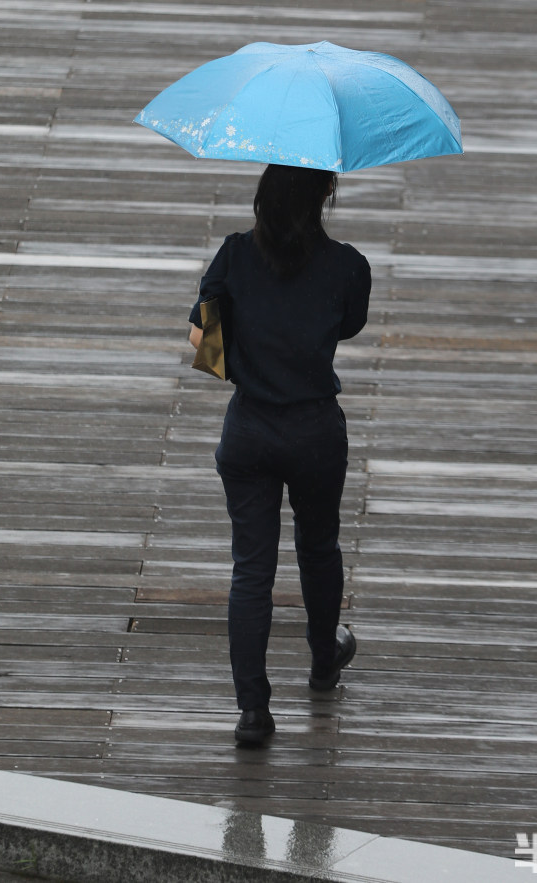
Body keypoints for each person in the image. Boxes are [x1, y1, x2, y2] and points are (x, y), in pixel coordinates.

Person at [188, 163, 371, 747]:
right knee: (318, 548)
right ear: (327, 194)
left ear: (262, 198)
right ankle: (323, 661)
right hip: (316, 429)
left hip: (249, 431)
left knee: (251, 570)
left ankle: (252, 712)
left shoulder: (235, 255)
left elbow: (202, 335)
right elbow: (349, 326)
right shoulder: (347, 265)